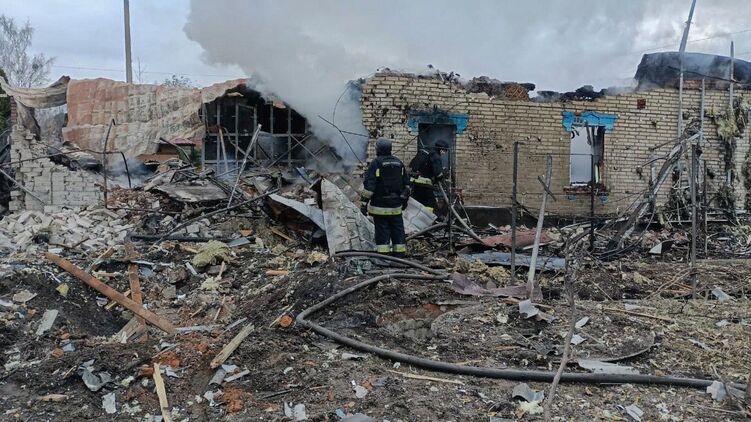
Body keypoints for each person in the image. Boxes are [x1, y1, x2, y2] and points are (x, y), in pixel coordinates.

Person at [361, 138, 410, 257]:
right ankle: (399, 254)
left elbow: (369, 187)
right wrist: (404, 201)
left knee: (382, 230)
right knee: (398, 230)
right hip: (396, 206)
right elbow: (407, 185)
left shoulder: (376, 163)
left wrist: (363, 204)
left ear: (378, 149)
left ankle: (384, 256)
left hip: (380, 206)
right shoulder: (399, 163)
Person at [408, 139, 449, 213]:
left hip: (414, 183)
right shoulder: (436, 156)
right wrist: (443, 174)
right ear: (441, 149)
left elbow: (412, 165)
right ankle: (428, 218)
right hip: (425, 185)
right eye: (445, 151)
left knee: (417, 202)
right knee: (430, 205)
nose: (444, 153)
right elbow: (438, 175)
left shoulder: (424, 151)